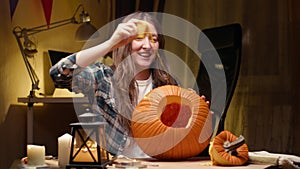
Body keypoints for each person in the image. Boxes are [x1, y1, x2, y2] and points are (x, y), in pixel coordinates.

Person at [50, 11, 208, 158]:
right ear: (124, 43)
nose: (147, 45)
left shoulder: (169, 84)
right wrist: (110, 44)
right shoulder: (103, 77)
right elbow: (59, 74)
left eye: (154, 39)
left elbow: (181, 141)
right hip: (115, 165)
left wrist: (196, 117)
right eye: (139, 38)